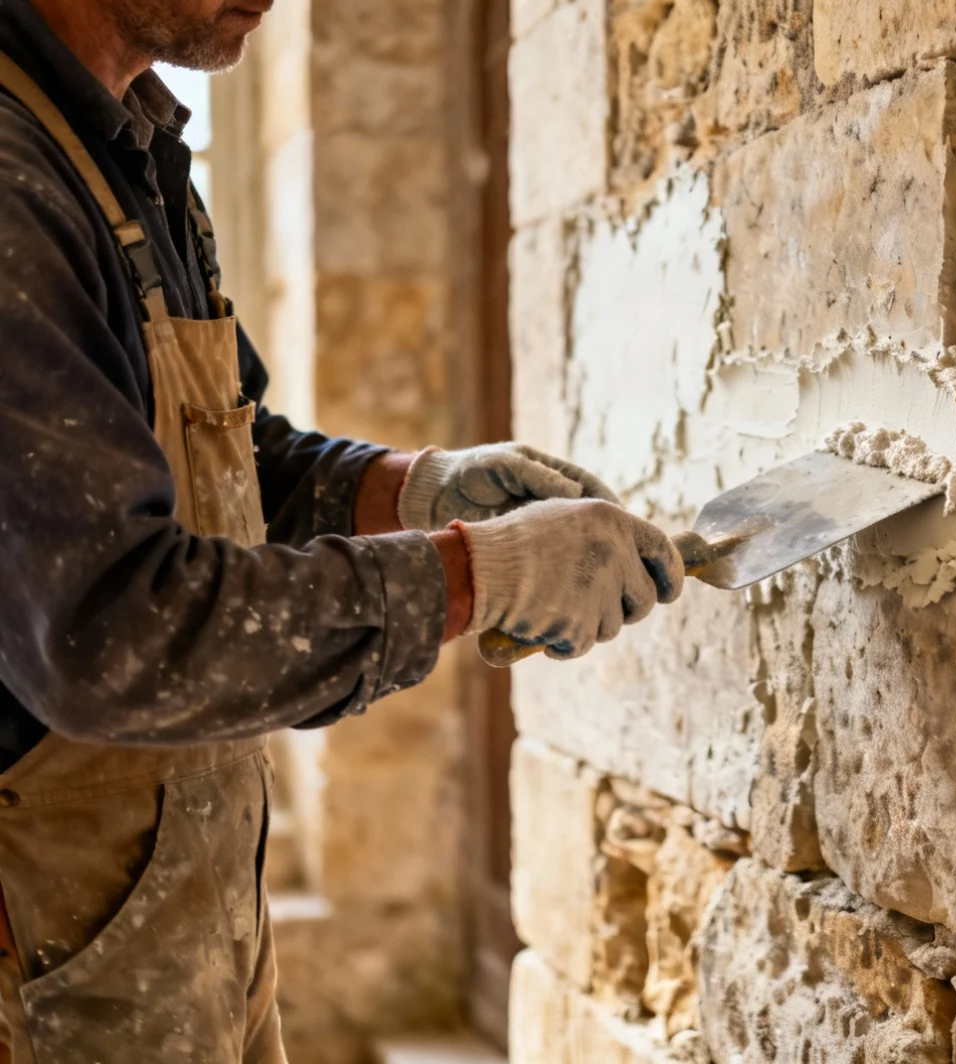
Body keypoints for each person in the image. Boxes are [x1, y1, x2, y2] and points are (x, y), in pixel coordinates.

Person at [0, 0, 684, 1058]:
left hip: (179, 920)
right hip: (44, 965)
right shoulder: (15, 182)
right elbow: (108, 634)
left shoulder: (126, 145)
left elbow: (228, 458)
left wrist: (412, 489)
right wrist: (477, 575)